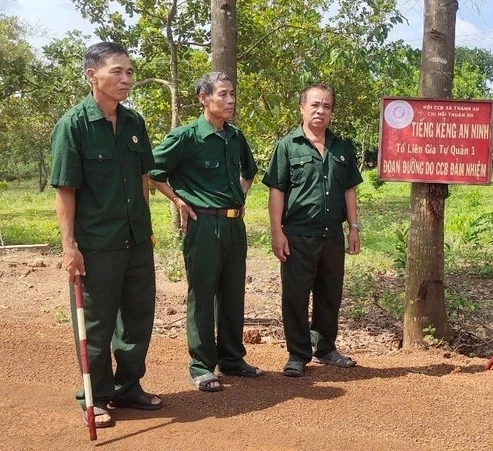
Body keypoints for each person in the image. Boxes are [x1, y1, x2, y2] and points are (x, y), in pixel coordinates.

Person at [50, 42, 162, 428]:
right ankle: (94, 397)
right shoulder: (74, 125)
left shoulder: (134, 123)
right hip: (96, 245)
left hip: (135, 240)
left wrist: (146, 228)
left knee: (137, 318)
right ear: (91, 75)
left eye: (129, 72)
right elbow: (65, 190)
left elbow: (144, 178)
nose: (126, 79)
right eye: (117, 71)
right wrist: (69, 247)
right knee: (95, 324)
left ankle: (128, 386)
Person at [149, 72, 261, 392]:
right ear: (204, 98)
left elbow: (249, 172)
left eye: (232, 95)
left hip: (233, 225)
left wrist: (237, 199)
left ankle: (231, 359)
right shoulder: (186, 137)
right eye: (223, 95)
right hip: (203, 226)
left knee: (232, 293)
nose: (230, 101)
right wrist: (178, 201)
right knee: (202, 294)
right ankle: (201, 365)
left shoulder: (235, 136)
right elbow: (153, 171)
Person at [262, 84, 363, 377]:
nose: (321, 111)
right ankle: (297, 354)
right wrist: (276, 232)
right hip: (298, 234)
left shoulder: (341, 147)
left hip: (332, 234)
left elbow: (349, 190)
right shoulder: (287, 146)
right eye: (315, 105)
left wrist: (353, 228)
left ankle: (326, 349)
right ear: (302, 108)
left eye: (327, 106)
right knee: (295, 295)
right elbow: (277, 191)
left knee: (329, 293)